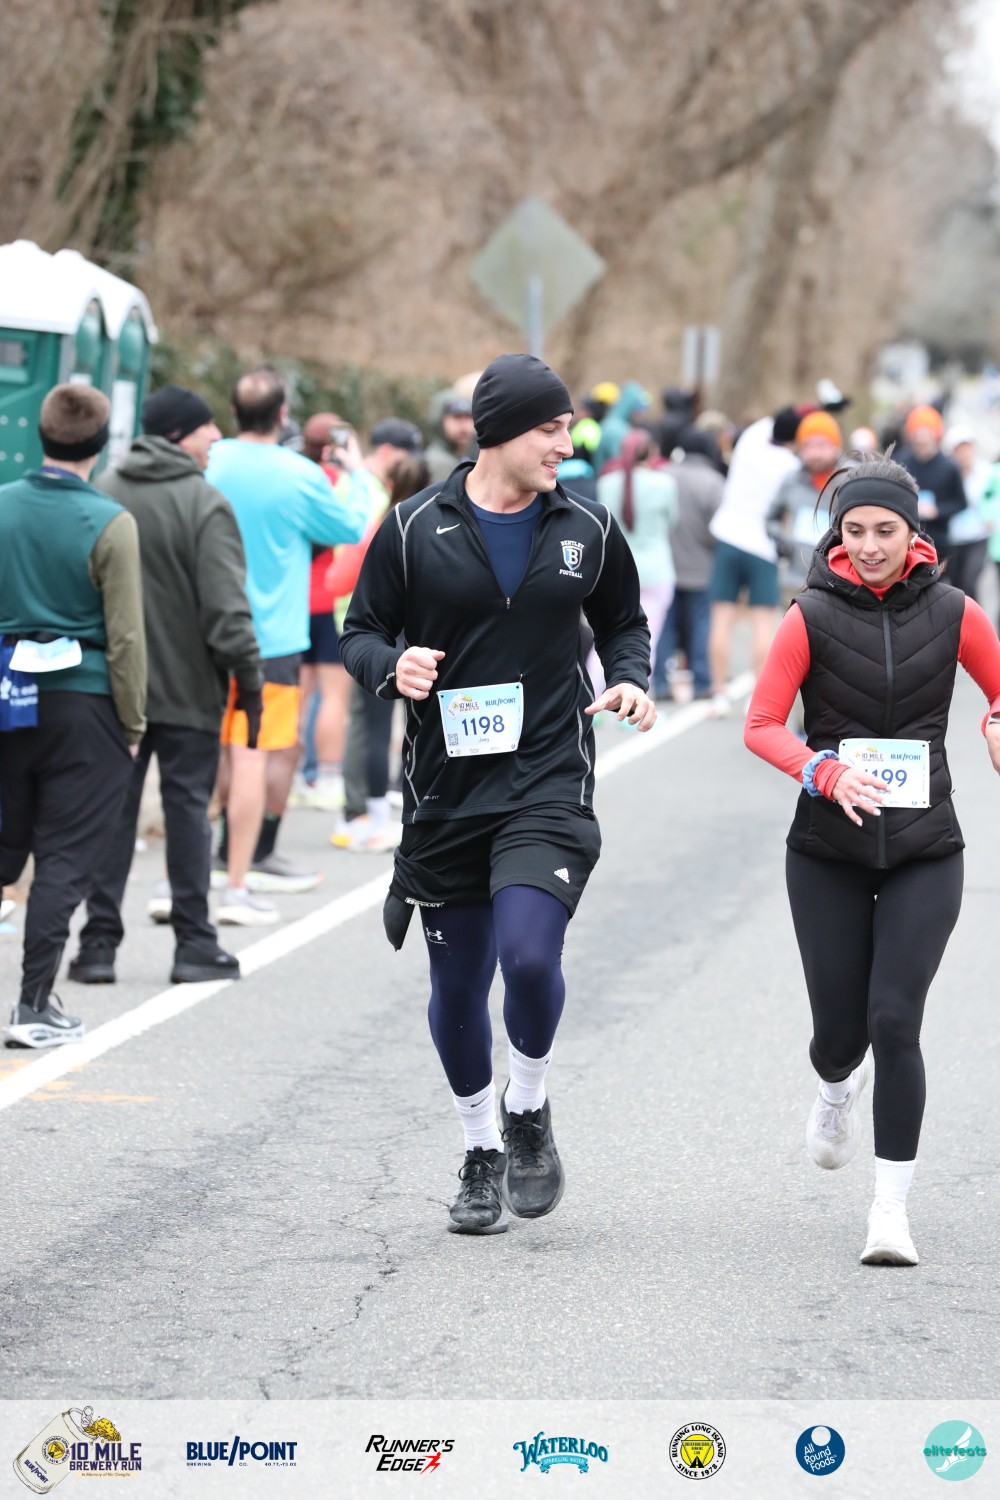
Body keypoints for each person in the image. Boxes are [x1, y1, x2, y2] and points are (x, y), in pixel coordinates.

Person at [340, 353, 654, 1235]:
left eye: (566, 429)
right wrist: (392, 666)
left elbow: (624, 621)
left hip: (548, 779)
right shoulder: (412, 527)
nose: (566, 444)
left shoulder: (588, 526)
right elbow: (361, 631)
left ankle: (527, 1105)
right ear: (501, 433)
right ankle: (480, 1150)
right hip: (447, 790)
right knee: (457, 984)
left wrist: (630, 677)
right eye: (550, 429)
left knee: (528, 956)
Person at [744, 451, 1000, 1266]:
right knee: (840, 1034)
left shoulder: (957, 611)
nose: (869, 546)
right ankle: (833, 1086)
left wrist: (996, 722)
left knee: (895, 1020)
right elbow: (761, 724)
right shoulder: (809, 616)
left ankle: (890, 1212)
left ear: (913, 531)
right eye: (853, 531)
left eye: (884, 530)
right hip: (829, 850)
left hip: (927, 848)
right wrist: (821, 770)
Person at [66, 384, 263, 986]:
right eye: (207, 427)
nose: (216, 437)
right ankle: (194, 943)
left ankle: (97, 945)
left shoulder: (104, 491)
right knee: (187, 812)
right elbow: (225, 611)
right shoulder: (204, 502)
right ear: (179, 434)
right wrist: (249, 679)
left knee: (112, 813)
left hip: (109, 690)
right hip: (189, 690)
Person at [0, 385, 146, 1046]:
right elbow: (126, 639)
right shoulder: (111, 523)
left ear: (41, 433)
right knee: (61, 857)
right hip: (83, 702)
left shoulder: (3, 506)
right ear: (100, 443)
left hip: (7, 692)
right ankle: (33, 1005)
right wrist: (132, 724)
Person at [205, 366, 369, 923]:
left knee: (217, 747)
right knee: (266, 752)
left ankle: (213, 856)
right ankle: (252, 860)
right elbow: (349, 526)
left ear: (232, 412)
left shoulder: (211, 461)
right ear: (282, 414)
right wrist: (357, 474)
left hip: (207, 629)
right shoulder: (300, 474)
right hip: (272, 638)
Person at [328, 427, 428, 852]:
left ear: (389, 483)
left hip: (375, 640)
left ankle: (369, 819)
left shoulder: (380, 528)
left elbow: (337, 579)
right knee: (420, 729)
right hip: (426, 643)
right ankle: (413, 813)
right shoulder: (439, 530)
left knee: (371, 727)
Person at [706, 405, 802, 715]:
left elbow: (772, 420)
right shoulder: (790, 465)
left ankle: (719, 692)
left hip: (728, 536)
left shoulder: (750, 438)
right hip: (763, 546)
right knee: (763, 622)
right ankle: (755, 695)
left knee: (722, 619)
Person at [291, 411, 354, 811]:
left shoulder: (294, 479)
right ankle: (327, 779)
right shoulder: (340, 482)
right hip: (331, 598)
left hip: (295, 599)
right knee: (333, 696)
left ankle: (290, 773)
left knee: (296, 694)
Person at [596, 427, 677, 680]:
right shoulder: (664, 483)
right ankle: (635, 695)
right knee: (645, 642)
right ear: (651, 452)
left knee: (605, 638)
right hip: (656, 569)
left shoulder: (606, 483)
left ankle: (593, 697)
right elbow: (672, 522)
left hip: (615, 570)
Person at [652, 429, 724, 700]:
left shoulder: (662, 475)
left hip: (666, 566)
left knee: (664, 626)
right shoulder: (714, 482)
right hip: (701, 568)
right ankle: (702, 682)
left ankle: (660, 683)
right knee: (701, 625)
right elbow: (719, 528)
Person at [767, 410, 843, 599]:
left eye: (821, 445)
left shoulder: (849, 481)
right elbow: (771, 518)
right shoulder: (791, 481)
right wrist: (780, 542)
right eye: (808, 446)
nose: (815, 453)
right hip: (795, 582)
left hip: (836, 584)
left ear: (835, 446)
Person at [896, 405, 966, 570]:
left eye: (926, 433)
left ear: (936, 435)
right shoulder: (900, 461)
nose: (921, 439)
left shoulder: (949, 467)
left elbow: (961, 503)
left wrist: (937, 511)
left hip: (939, 541)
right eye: (917, 433)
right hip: (905, 540)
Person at [943, 425, 991, 600]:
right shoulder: (947, 473)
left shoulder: (986, 472)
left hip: (978, 535)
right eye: (959, 449)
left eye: (967, 447)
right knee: (957, 585)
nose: (964, 453)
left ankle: (977, 614)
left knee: (971, 579)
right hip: (954, 536)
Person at [425, 391, 474, 485]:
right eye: (457, 417)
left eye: (468, 417)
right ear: (439, 421)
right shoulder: (438, 464)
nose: (465, 426)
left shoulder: (460, 458)